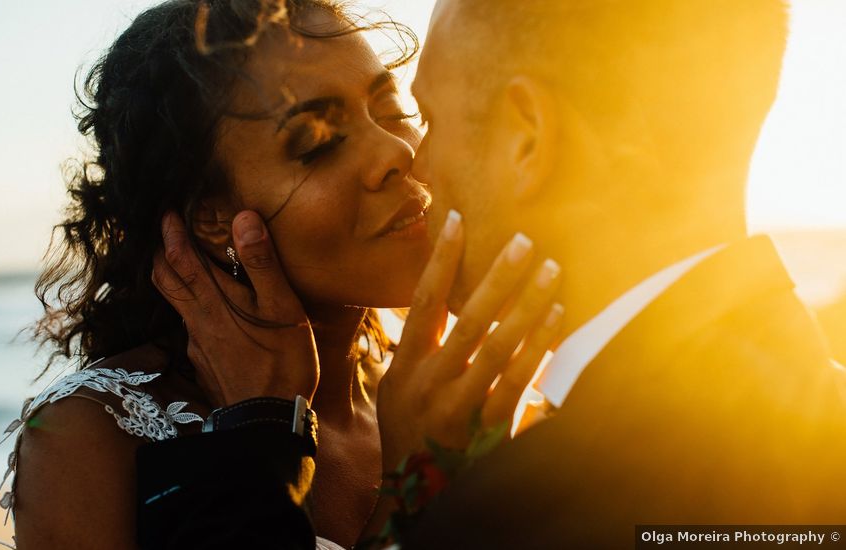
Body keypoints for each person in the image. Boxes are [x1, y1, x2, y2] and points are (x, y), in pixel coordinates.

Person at [146, 0, 846, 547]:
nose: (410, 162)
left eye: (428, 117)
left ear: (529, 139)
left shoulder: (527, 509)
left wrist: (403, 490)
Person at [0, 1, 561, 548]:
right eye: (320, 145)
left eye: (392, 114)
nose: (396, 151)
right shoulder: (91, 437)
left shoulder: (455, 400)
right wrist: (417, 485)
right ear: (214, 220)